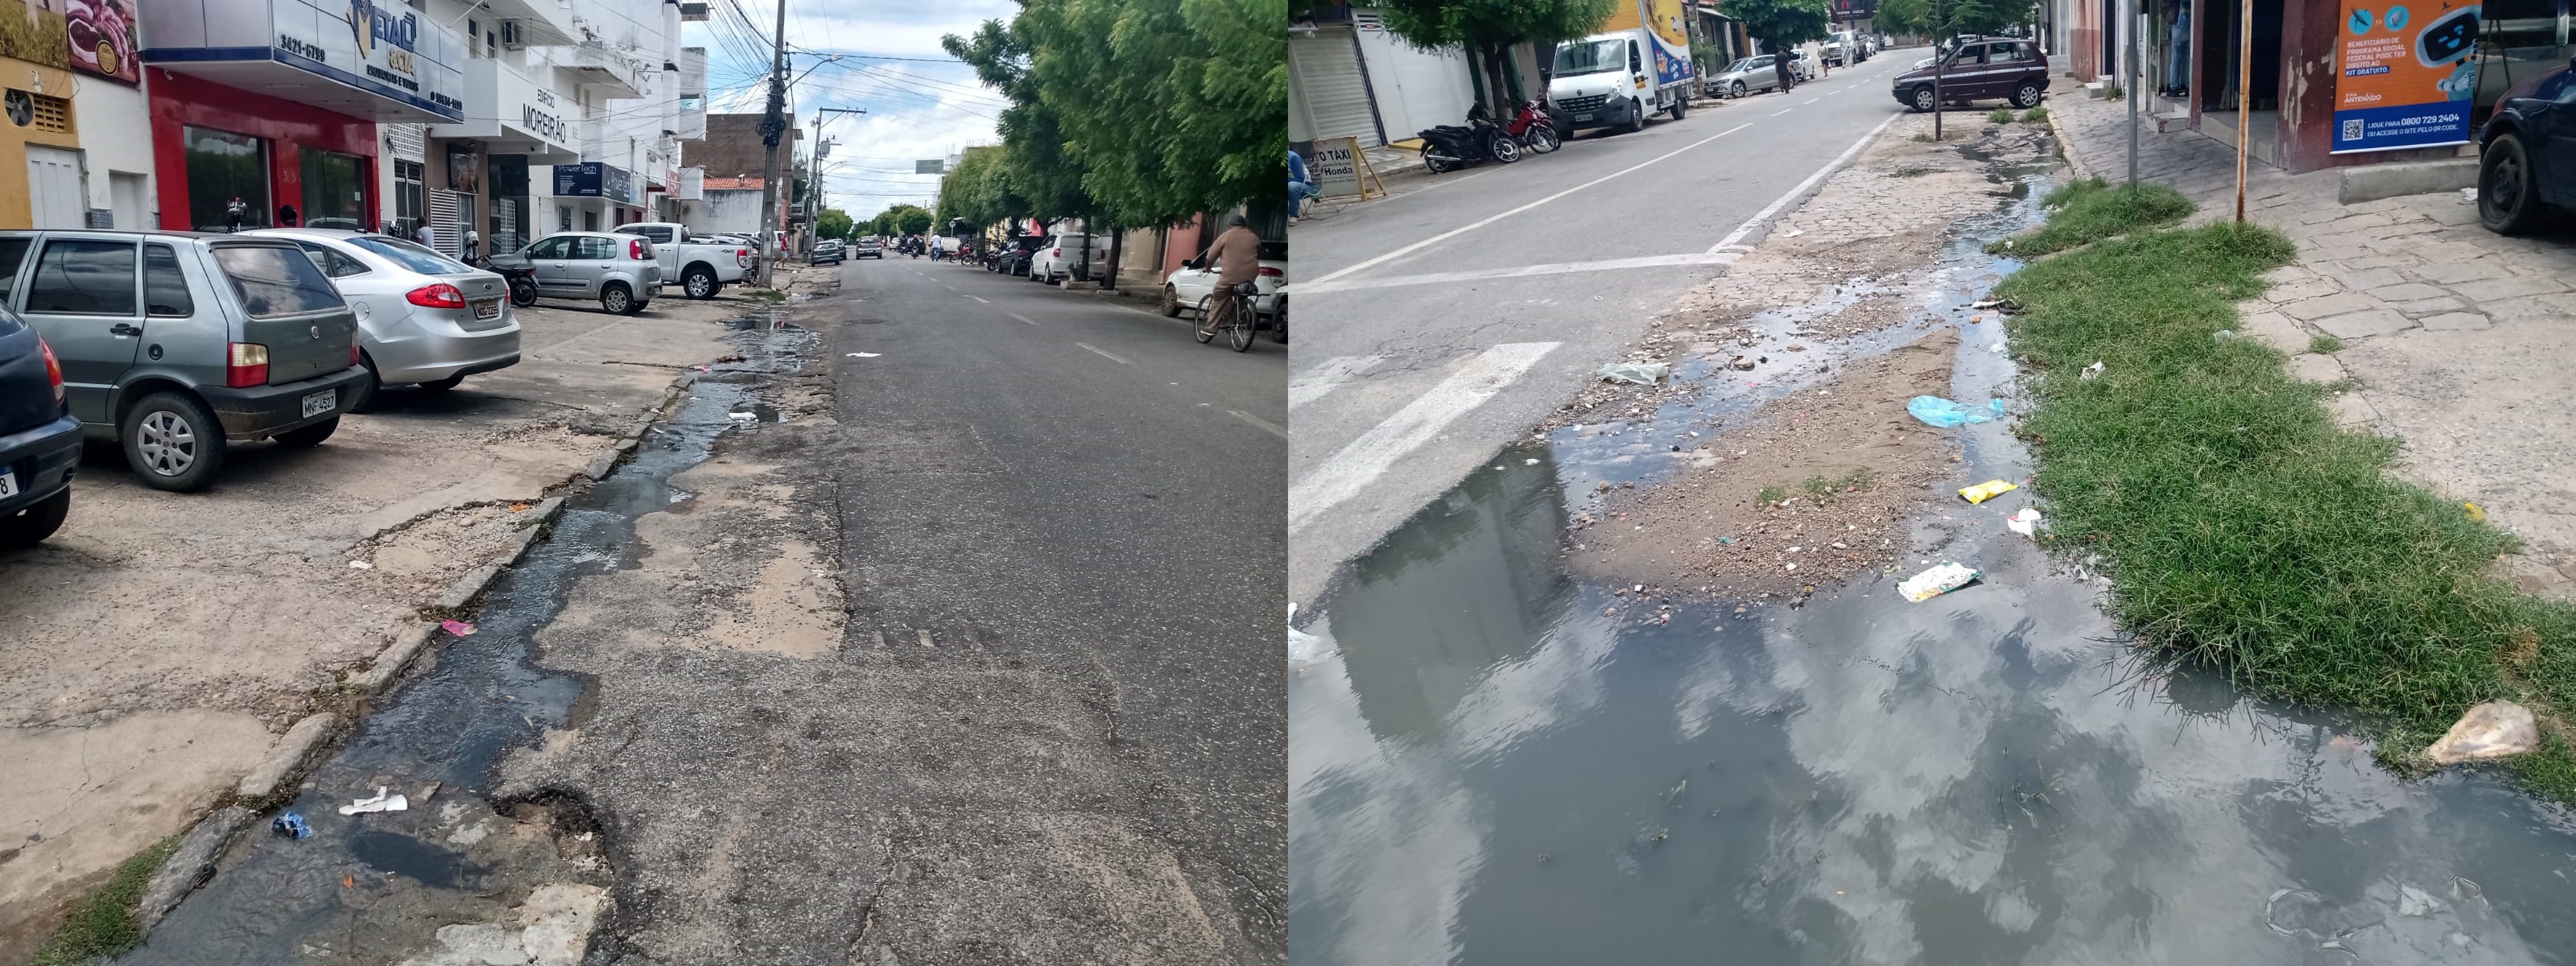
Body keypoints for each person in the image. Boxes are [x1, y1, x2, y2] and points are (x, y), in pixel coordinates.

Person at [1195, 213, 1261, 340]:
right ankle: (1236, 320)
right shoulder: (1254, 237)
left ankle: (1210, 329)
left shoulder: (1226, 236)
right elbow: (1259, 253)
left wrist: (1207, 267)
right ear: (1244, 225)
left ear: (1229, 226)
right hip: (1251, 275)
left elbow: (1211, 255)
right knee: (1241, 295)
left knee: (1219, 296)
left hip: (1230, 274)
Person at [1288, 149, 1318, 225]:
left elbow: (1300, 178)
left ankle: (1293, 216)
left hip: (1306, 186)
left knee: (1292, 186)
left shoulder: (1293, 157)